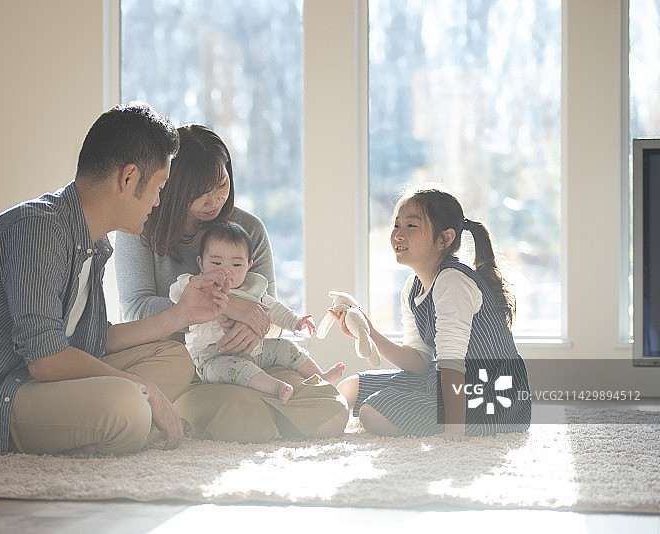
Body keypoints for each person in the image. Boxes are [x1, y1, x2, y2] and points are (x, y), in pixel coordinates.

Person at [0, 103, 233, 456]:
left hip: (31, 380)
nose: (159, 201)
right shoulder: (39, 229)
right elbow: (47, 359)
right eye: (159, 187)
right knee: (128, 404)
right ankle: (126, 428)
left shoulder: (91, 242)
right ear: (128, 178)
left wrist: (182, 315)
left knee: (174, 357)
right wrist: (143, 389)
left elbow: (93, 339)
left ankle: (112, 431)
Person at [114, 124, 349, 442]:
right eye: (200, 191)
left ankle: (268, 410)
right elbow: (136, 310)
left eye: (221, 184)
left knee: (332, 413)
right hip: (187, 361)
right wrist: (225, 307)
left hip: (251, 357)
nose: (215, 199)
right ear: (173, 186)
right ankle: (253, 414)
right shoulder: (141, 226)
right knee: (245, 416)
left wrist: (255, 326)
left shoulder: (248, 229)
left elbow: (269, 313)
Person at [334, 187, 531, 441]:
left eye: (411, 226)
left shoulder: (453, 282)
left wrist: (454, 430)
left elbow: (452, 363)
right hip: (444, 381)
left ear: (444, 239)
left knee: (373, 411)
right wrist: (369, 333)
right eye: (396, 225)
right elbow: (419, 361)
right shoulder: (413, 287)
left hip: (492, 397)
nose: (398, 234)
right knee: (351, 387)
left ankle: (453, 421)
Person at [170, 222, 346, 403]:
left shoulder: (253, 288)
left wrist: (296, 322)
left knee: (286, 347)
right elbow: (174, 294)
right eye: (216, 262)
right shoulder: (196, 285)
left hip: (255, 351)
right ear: (200, 262)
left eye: (236, 264)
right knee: (239, 368)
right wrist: (200, 286)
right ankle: (276, 386)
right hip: (212, 358)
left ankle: (321, 377)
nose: (226, 270)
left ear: (248, 266)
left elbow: (274, 309)